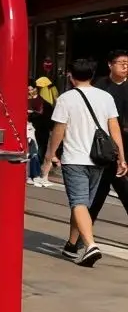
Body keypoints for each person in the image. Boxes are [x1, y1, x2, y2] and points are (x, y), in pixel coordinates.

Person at [40, 58, 126, 267]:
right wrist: (121, 157)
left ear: (70, 75)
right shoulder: (105, 97)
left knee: (78, 202)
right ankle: (71, 245)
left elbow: (59, 129)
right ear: (93, 74)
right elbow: (114, 128)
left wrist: (49, 156)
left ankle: (90, 245)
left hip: (75, 158)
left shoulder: (66, 98)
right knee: (83, 205)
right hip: (100, 159)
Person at [90, 49, 128, 224]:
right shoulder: (100, 86)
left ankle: (81, 235)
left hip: (125, 144)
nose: (125, 66)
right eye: (121, 63)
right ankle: (84, 231)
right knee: (100, 189)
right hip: (105, 145)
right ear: (110, 65)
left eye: (127, 63)